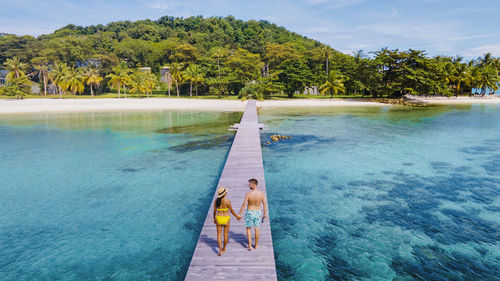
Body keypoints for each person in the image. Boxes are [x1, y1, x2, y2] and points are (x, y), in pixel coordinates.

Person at [238, 178, 268, 251]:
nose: (248, 185)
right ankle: (256, 246)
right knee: (257, 229)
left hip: (250, 212)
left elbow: (244, 204)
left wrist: (239, 214)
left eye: (249, 184)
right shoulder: (261, 194)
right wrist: (264, 213)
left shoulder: (248, 194)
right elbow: (264, 204)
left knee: (248, 228)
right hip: (258, 212)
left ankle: (250, 246)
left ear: (254, 185)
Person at [213, 187, 241, 256]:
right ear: (224, 194)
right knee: (225, 235)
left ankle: (219, 250)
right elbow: (231, 211)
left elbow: (214, 211)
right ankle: (224, 248)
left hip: (219, 218)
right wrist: (237, 216)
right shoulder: (227, 201)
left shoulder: (216, 201)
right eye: (226, 192)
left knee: (219, 235)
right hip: (226, 218)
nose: (226, 193)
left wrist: (214, 218)